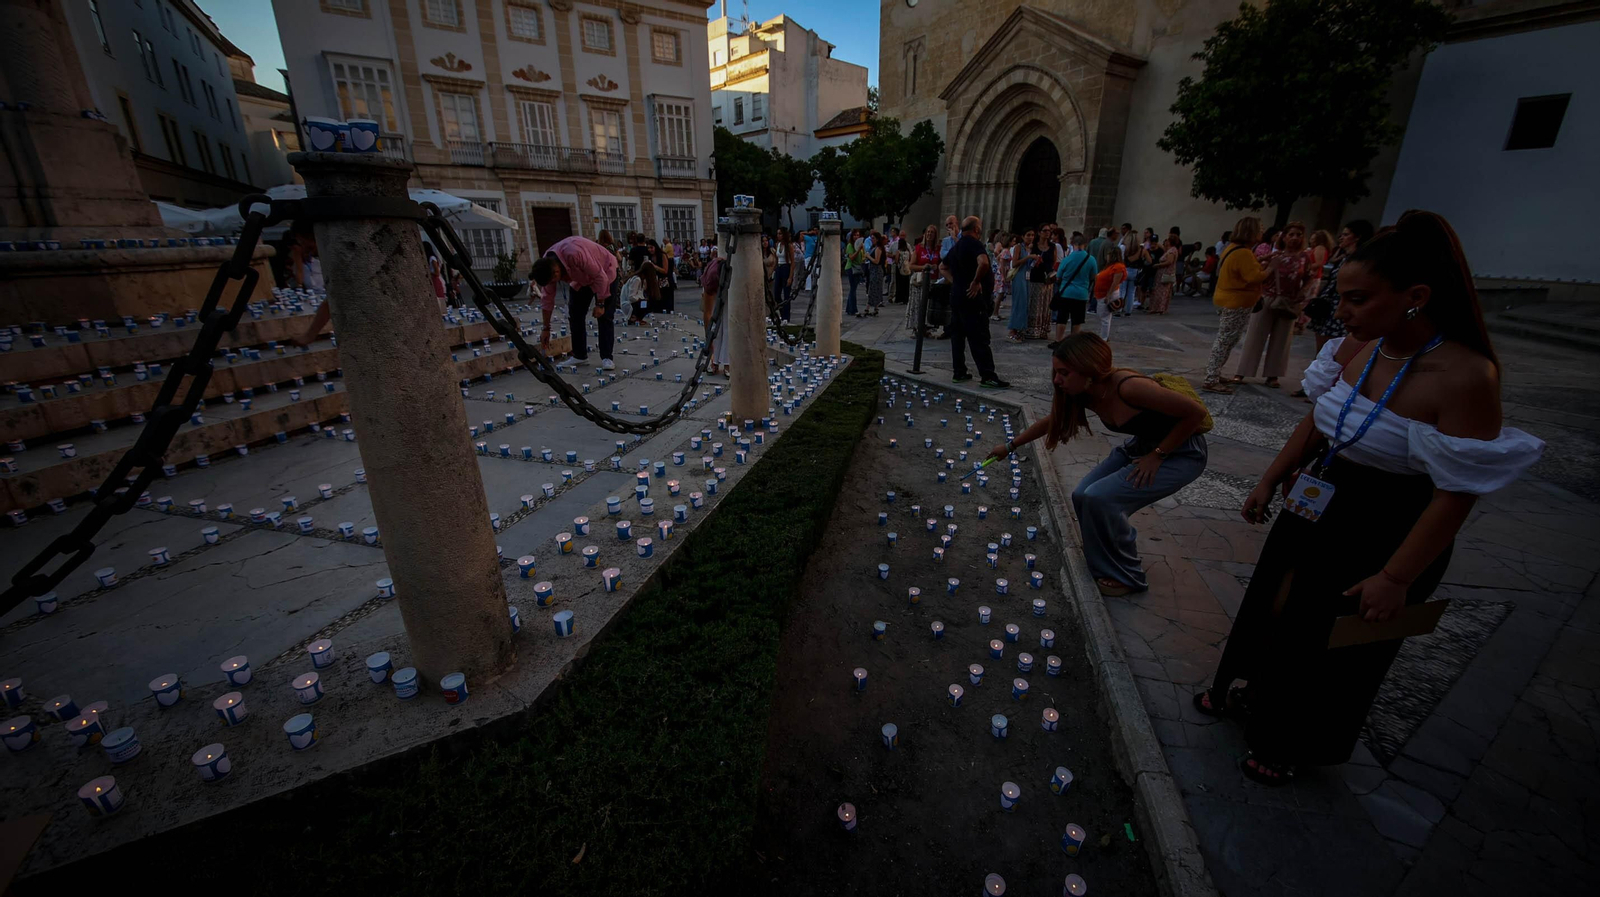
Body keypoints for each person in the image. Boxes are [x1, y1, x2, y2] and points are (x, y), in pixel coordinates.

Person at [1195, 210, 1544, 787]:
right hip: (1322, 497)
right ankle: (1255, 692)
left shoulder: (1464, 375)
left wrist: (1398, 576)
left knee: (1331, 637)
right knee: (1279, 604)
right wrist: (1269, 477)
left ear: (1416, 296)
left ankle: (1293, 737)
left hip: (1387, 520)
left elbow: (1456, 494)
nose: (1343, 310)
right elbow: (1321, 420)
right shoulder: (1363, 350)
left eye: (1359, 299)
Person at [989, 333, 1209, 596]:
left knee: (1102, 499)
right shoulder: (1085, 392)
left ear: (1088, 370)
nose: (1057, 380)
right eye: (1056, 372)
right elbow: (1053, 421)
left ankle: (1129, 576)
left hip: (1179, 453)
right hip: (1142, 447)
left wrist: (1158, 455)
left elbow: (1196, 414)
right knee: (1082, 494)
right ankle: (1104, 559)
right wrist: (1010, 446)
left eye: (1064, 373)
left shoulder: (1129, 388)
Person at [1230, 222, 1313, 388]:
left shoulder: (1304, 258)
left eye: (1298, 235)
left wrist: (1303, 291)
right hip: (1268, 297)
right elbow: (1261, 274)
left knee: (1282, 339)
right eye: (1291, 235)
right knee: (1255, 334)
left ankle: (1273, 375)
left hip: (1289, 301)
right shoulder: (1275, 256)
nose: (1295, 238)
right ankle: (1243, 370)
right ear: (1284, 237)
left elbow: (1309, 277)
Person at [1201, 217, 1272, 392]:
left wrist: (1265, 259)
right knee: (1225, 340)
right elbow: (1253, 277)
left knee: (1228, 338)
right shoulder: (1244, 253)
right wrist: (1272, 267)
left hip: (1226, 299)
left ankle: (1215, 373)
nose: (1262, 232)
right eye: (1259, 228)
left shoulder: (1234, 248)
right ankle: (1211, 378)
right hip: (1236, 302)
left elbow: (1244, 268)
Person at [530, 234, 619, 366]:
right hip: (580, 279)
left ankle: (607, 357)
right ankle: (580, 355)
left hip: (605, 270)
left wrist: (600, 304)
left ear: (556, 272)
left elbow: (601, 277)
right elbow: (547, 299)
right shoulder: (545, 265)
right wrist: (546, 328)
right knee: (575, 314)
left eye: (554, 280)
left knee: (605, 316)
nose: (555, 283)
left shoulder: (574, 253)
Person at [945, 216, 1008, 388]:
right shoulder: (974, 244)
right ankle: (987, 375)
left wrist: (956, 282)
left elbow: (942, 267)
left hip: (957, 297)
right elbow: (983, 263)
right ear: (977, 230)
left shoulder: (957, 245)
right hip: (972, 299)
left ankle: (959, 371)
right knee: (978, 336)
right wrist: (975, 281)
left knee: (957, 336)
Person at [1302, 220, 1376, 364]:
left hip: (1337, 308)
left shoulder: (1359, 260)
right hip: (1328, 307)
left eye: (1346, 234)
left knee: (1332, 351)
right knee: (1323, 351)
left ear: (1357, 237)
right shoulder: (1345, 258)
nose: (1341, 237)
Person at [1051, 232, 1097, 342]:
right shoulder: (1091, 259)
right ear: (1084, 244)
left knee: (1062, 319)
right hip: (1081, 294)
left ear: (1073, 244)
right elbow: (1093, 276)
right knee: (1077, 320)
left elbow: (1059, 275)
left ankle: (1058, 340)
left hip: (1066, 292)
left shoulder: (1068, 259)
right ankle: (1073, 342)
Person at [908, 225, 942, 337]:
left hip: (933, 281)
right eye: (928, 232)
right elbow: (911, 265)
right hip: (920, 281)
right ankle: (917, 327)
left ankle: (926, 328)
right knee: (919, 305)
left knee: (929, 306)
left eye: (932, 232)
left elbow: (942, 263)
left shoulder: (938, 249)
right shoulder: (919, 248)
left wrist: (937, 266)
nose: (929, 234)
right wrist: (924, 267)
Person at [1006, 230, 1039, 342]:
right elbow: (1015, 263)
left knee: (1024, 303)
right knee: (1018, 303)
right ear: (1023, 236)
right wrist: (1029, 258)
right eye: (1028, 235)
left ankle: (1019, 329)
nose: (1030, 237)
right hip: (1019, 276)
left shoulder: (1028, 248)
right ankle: (1013, 330)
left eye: (1032, 235)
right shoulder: (1018, 247)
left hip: (1026, 277)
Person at [1025, 229, 1056, 339]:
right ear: (1040, 232)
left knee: (1045, 305)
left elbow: (1054, 261)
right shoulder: (1034, 246)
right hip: (1035, 277)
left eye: (1049, 231)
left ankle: (1043, 330)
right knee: (1034, 303)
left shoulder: (1052, 246)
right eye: (1044, 230)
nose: (1047, 233)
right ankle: (1032, 329)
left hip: (1047, 279)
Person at [1092, 244, 1126, 341]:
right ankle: (1104, 336)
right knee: (1103, 315)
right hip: (1102, 293)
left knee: (1105, 317)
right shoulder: (1110, 266)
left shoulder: (1118, 267)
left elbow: (1115, 282)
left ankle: (1104, 337)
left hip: (1108, 294)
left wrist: (1108, 295)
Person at [1148, 235, 1180, 314]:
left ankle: (1159, 308)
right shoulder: (1170, 250)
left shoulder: (1172, 251)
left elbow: (1169, 261)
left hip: (1165, 273)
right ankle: (1158, 308)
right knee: (1162, 291)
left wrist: (1158, 265)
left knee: (1162, 291)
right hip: (1163, 273)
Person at [864, 230, 886, 316]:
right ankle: (875, 308)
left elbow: (876, 261)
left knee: (873, 289)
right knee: (874, 288)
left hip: (876, 270)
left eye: (873, 238)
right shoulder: (874, 247)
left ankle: (868, 307)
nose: (872, 240)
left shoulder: (878, 249)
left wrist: (868, 256)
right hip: (873, 270)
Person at [845, 229, 865, 316]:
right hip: (851, 268)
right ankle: (853, 309)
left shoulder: (860, 245)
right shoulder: (850, 245)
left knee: (853, 289)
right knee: (853, 289)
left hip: (857, 267)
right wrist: (858, 250)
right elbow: (851, 257)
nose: (856, 237)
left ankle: (849, 308)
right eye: (855, 235)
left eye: (858, 235)